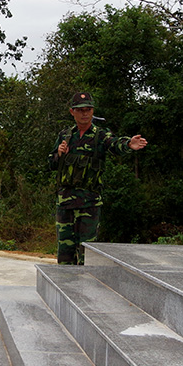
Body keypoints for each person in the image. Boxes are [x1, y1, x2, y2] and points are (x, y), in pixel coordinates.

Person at [49, 92, 148, 265]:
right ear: (72, 112)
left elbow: (115, 144)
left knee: (87, 254)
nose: (85, 114)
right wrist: (58, 154)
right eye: (80, 110)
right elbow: (51, 163)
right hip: (65, 203)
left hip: (89, 204)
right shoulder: (65, 136)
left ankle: (85, 290)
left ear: (93, 111)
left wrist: (128, 144)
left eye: (88, 109)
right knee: (65, 255)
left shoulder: (100, 136)